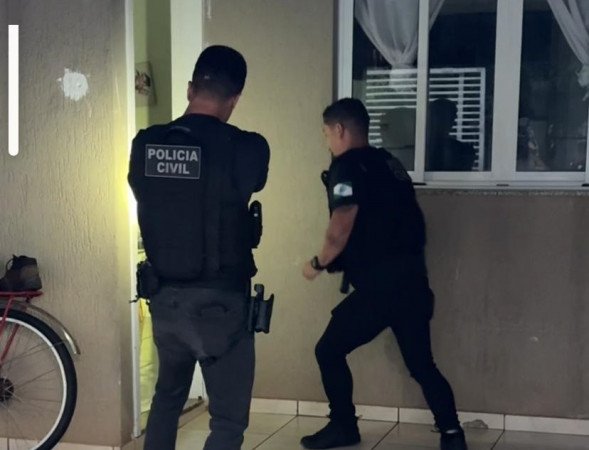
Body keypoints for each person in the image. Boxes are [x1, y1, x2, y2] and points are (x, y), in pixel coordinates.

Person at [301, 98, 467, 450]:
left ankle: (343, 426)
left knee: (328, 351)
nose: (326, 142)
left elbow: (341, 224)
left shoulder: (347, 167)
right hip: (412, 284)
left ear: (339, 130)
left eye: (326, 134)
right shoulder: (389, 164)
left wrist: (317, 263)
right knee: (422, 365)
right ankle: (453, 434)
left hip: (380, 290)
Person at [128, 45, 270, 450]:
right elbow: (253, 181)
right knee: (227, 422)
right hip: (220, 306)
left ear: (190, 88)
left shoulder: (146, 144)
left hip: (165, 301)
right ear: (235, 99)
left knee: (167, 399)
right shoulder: (248, 147)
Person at [426, 98, 476, 171]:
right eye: (450, 118)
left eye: (453, 118)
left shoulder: (462, 150)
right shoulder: (421, 148)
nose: (453, 122)